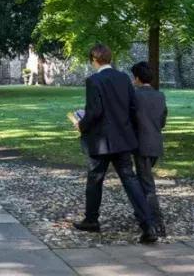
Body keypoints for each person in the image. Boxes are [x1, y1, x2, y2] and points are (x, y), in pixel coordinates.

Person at [72, 44, 157, 245]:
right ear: (109, 58)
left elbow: (95, 112)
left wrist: (81, 125)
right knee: (130, 180)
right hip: (122, 139)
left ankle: (91, 220)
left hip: (101, 140)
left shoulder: (93, 81)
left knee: (95, 179)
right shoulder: (124, 79)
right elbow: (132, 107)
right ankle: (147, 224)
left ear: (94, 59)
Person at [131, 61, 168, 237]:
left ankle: (155, 222)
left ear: (137, 78)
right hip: (155, 143)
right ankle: (143, 213)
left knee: (147, 184)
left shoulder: (135, 96)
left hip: (141, 145)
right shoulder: (160, 96)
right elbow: (162, 121)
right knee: (143, 180)